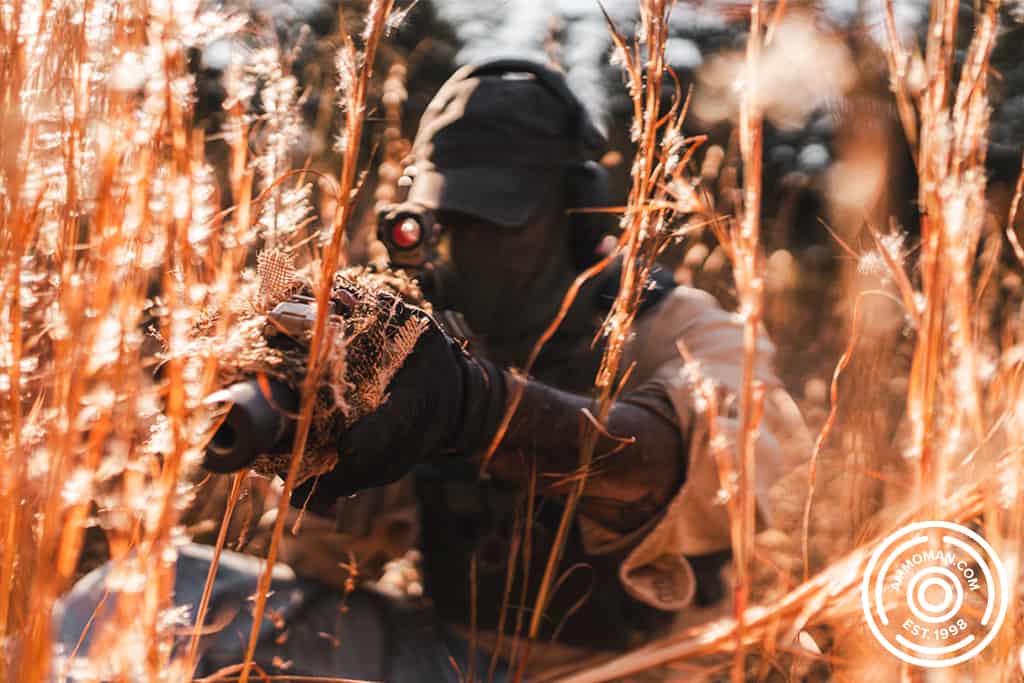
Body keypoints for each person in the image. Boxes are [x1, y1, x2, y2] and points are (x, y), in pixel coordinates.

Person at [55, 59, 812, 682]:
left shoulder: (677, 327)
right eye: (440, 223)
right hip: (448, 658)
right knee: (128, 591)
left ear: (581, 212)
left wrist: (477, 407)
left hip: (621, 671)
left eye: (491, 221)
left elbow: (716, 464)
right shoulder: (428, 333)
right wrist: (322, 445)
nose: (459, 250)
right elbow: (338, 566)